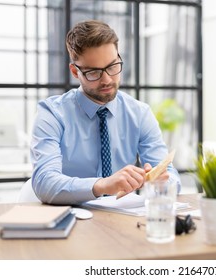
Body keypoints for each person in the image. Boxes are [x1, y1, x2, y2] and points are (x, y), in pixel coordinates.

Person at [30, 19, 181, 205]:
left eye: (112, 66)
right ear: (75, 72)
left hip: (122, 220)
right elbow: (44, 182)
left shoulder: (140, 113)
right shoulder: (51, 114)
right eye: (94, 72)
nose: (107, 80)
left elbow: (171, 176)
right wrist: (101, 185)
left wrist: (162, 182)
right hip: (71, 219)